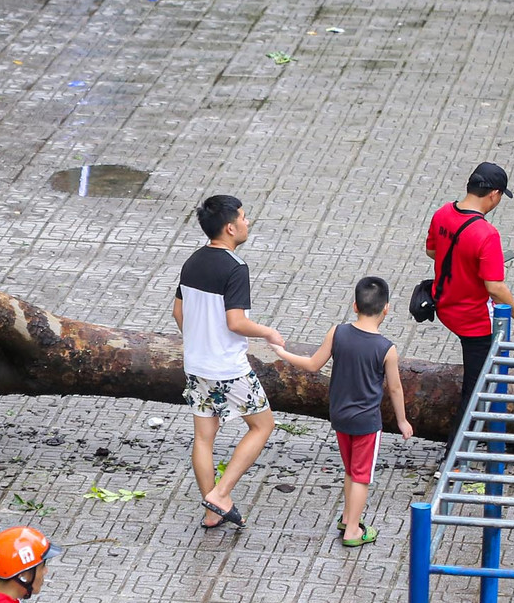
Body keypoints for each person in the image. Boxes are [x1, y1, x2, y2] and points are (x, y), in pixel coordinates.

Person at [272, 277, 414, 546]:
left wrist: (282, 352)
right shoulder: (387, 349)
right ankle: (353, 532)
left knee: (350, 469)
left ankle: (348, 517)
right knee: (361, 476)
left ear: (354, 306)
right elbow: (395, 389)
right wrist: (402, 420)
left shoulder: (337, 332)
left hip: (339, 415)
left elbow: (313, 364)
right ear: (387, 309)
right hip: (366, 422)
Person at [173, 195, 285, 530]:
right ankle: (221, 494)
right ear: (230, 227)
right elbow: (236, 321)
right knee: (263, 426)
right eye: (245, 217)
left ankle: (211, 510)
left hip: (196, 365)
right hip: (228, 367)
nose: (248, 222)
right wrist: (268, 332)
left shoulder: (192, 261)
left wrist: (200, 340)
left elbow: (178, 312)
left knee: (204, 438)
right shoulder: (235, 268)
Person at [425, 163, 514, 451]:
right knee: (477, 387)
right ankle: (454, 456)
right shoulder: (487, 235)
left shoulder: (442, 213)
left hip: (444, 304)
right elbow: (495, 287)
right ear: (495, 195)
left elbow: (432, 251)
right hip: (472, 319)